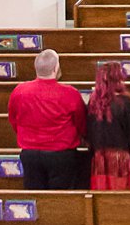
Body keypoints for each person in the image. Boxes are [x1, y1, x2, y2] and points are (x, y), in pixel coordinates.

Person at [8, 49, 86, 188]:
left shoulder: (19, 91)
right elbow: (81, 123)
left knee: (36, 199)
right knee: (61, 200)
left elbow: (14, 120)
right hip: (61, 155)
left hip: (30, 154)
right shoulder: (70, 93)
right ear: (56, 68)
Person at [84, 60, 130, 189]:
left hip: (100, 157)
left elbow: (89, 131)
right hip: (120, 157)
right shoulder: (125, 101)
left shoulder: (93, 101)